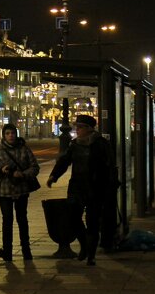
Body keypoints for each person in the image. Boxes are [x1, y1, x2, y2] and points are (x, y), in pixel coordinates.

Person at [47, 114, 114, 266]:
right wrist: (53, 176)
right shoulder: (74, 144)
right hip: (77, 186)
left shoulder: (100, 144)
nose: (77, 130)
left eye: (80, 127)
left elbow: (108, 165)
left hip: (95, 188)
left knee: (93, 221)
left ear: (89, 129)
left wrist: (106, 184)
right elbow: (64, 161)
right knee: (73, 217)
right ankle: (84, 245)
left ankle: (91, 255)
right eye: (76, 127)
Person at [0, 123, 39, 262]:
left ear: (16, 134)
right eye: (8, 133)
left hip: (21, 189)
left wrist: (23, 174)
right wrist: (1, 170)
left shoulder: (24, 149)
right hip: (4, 191)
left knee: (22, 219)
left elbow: (34, 167)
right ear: (4, 135)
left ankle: (26, 251)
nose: (11, 136)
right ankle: (7, 252)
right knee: (7, 220)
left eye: (13, 133)